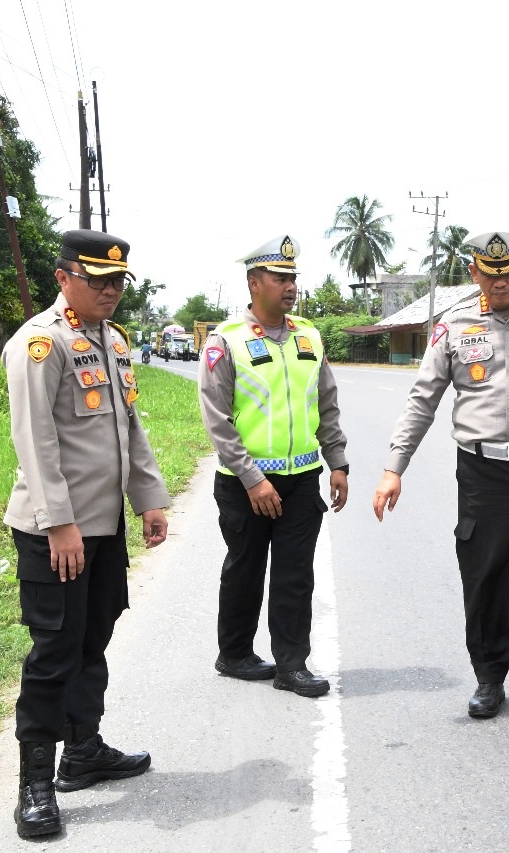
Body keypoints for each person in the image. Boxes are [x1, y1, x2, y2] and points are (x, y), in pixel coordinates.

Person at [373, 232, 509, 718]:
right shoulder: (452, 326)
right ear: (475, 274)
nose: (500, 283)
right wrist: (395, 467)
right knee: (485, 574)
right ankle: (490, 677)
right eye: (489, 275)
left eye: (508, 274)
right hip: (482, 470)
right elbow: (423, 399)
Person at [2, 229, 171, 839]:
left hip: (101, 530)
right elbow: (36, 442)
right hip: (55, 532)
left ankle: (83, 751)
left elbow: (129, 427)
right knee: (53, 653)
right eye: (96, 279)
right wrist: (61, 524)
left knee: (92, 642)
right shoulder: (41, 344)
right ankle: (35, 786)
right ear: (63, 277)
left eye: (117, 281)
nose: (109, 290)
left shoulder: (114, 342)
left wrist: (148, 499)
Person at [198, 235, 349, 699]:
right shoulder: (227, 342)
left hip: (302, 479)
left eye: (293, 279)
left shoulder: (310, 337)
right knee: (244, 570)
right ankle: (236, 653)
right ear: (254, 282)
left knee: (294, 574)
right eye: (280, 278)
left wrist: (337, 461)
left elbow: (325, 402)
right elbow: (217, 420)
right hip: (245, 485)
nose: (290, 287)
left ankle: (292, 664)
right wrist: (252, 478)